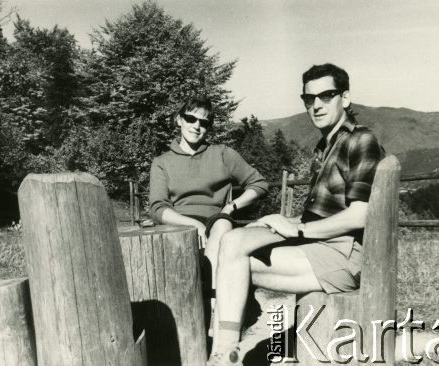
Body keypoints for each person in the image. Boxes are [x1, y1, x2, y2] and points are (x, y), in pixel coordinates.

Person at [208, 63, 385, 365]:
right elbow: (317, 218)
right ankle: (223, 352)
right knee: (234, 241)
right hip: (320, 248)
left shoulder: (360, 139)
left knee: (234, 266)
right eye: (309, 98)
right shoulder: (325, 146)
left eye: (326, 96)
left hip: (345, 255)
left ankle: (223, 354)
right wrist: (281, 222)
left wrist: (297, 231)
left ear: (345, 98)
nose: (316, 105)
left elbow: (359, 216)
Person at [149, 96, 269, 332]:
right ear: (179, 120)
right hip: (179, 222)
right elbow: (157, 208)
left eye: (204, 122)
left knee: (223, 228)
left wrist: (230, 208)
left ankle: (213, 309)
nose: (196, 126)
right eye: (190, 119)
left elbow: (259, 184)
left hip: (217, 219)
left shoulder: (222, 154)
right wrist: (192, 225)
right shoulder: (162, 162)